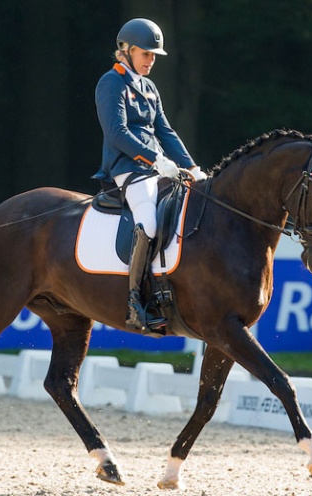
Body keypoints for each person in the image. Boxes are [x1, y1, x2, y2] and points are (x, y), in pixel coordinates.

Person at [93, 18, 206, 332]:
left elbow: (165, 131)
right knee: (149, 220)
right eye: (146, 54)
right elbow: (117, 133)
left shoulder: (149, 87)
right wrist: (156, 160)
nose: (151, 60)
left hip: (159, 167)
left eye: (154, 55)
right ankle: (134, 302)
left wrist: (192, 167)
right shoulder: (111, 83)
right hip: (127, 168)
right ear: (126, 51)